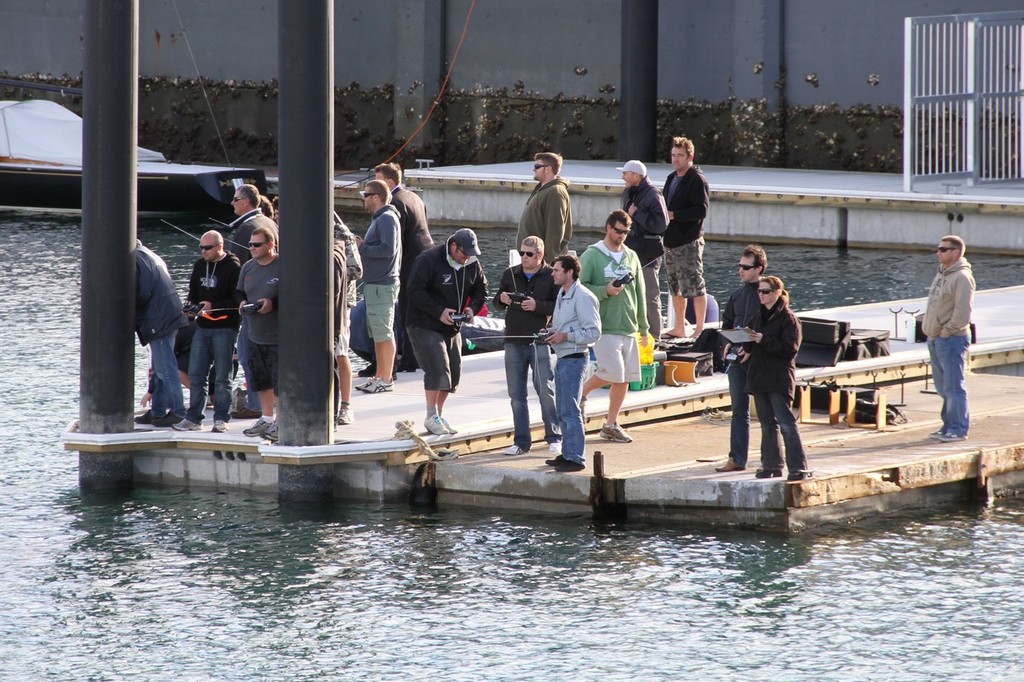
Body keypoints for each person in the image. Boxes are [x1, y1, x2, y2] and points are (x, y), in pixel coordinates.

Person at [405, 228, 488, 436]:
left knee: (454, 373)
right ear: (453, 247)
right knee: (438, 368)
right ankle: (430, 414)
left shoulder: (471, 264)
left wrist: (472, 309)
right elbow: (414, 291)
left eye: (470, 254)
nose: (467, 257)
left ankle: (439, 415)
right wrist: (439, 311)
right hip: (424, 323)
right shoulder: (429, 259)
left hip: (452, 326)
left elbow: (481, 289)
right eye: (463, 253)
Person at [579, 209, 650, 444]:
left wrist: (644, 328)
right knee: (612, 372)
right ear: (608, 227)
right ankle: (579, 393)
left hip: (628, 325)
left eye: (626, 232)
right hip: (604, 325)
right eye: (618, 231)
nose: (622, 236)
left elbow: (640, 292)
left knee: (625, 378)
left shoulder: (631, 256)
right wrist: (605, 291)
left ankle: (611, 423)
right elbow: (580, 289)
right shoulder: (592, 255)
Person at [493, 235, 560, 456]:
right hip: (512, 340)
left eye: (528, 254)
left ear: (540, 255)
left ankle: (554, 436)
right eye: (521, 253)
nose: (523, 257)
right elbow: (495, 303)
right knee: (516, 394)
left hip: (538, 341)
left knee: (545, 390)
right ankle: (521, 441)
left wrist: (537, 306)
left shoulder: (552, 276)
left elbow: (558, 306)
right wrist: (501, 300)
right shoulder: (509, 274)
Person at [739, 275, 811, 481]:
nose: (761, 295)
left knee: (787, 423)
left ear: (777, 292)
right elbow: (751, 345)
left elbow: (790, 349)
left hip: (778, 378)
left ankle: (798, 467)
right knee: (766, 424)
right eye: (759, 291)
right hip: (759, 376)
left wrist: (763, 339)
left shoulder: (789, 319)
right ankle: (771, 465)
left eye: (765, 291)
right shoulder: (757, 315)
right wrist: (743, 339)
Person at [173, 231, 242, 433]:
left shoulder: (232, 267)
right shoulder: (199, 265)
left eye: (207, 248)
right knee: (196, 374)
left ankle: (221, 418)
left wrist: (214, 305)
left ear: (219, 246)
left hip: (225, 328)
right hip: (202, 327)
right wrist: (190, 309)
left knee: (222, 376)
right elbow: (193, 293)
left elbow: (237, 299)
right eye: (201, 247)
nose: (203, 251)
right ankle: (194, 418)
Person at [543, 254, 601, 472]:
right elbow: (564, 325)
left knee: (570, 410)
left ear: (569, 273)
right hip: (563, 357)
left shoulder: (584, 296)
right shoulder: (562, 293)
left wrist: (565, 336)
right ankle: (567, 453)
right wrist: (550, 333)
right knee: (562, 409)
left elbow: (594, 332)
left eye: (557, 270)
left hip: (575, 359)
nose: (553, 273)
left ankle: (576, 458)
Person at [374, 162, 435, 372]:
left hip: (410, 262)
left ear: (389, 182)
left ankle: (409, 360)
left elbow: (393, 241)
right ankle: (415, 356)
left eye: (377, 182)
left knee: (406, 312)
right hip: (427, 257)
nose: (372, 187)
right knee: (416, 309)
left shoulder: (395, 204)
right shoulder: (414, 197)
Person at [226, 184, 279, 419]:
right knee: (260, 363)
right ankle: (265, 413)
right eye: (251, 246)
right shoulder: (269, 223)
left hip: (263, 320)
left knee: (248, 358)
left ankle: (257, 406)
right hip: (257, 313)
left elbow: (233, 267)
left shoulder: (246, 229)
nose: (232, 203)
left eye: (235, 199)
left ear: (246, 201)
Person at [715, 244, 768, 472]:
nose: (741, 271)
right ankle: (737, 459)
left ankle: (770, 459)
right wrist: (727, 345)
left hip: (759, 361)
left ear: (760, 268)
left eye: (746, 267)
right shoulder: (737, 295)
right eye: (740, 266)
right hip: (737, 361)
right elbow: (726, 324)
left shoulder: (768, 295)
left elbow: (774, 329)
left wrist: (752, 348)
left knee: (767, 412)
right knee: (739, 410)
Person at [922, 235, 975, 442]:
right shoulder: (942, 273)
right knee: (943, 387)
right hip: (935, 338)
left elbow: (963, 312)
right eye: (938, 248)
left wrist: (947, 331)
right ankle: (948, 425)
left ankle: (958, 428)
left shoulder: (962, 277)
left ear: (956, 252)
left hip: (951, 339)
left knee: (954, 387)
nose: (938, 252)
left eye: (943, 249)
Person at [133, 240, 189, 427]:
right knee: (160, 368)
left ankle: (178, 412)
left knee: (166, 369)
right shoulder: (149, 254)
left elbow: (141, 292)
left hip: (159, 319)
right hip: (169, 314)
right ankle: (158, 411)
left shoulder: (136, 259)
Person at [355, 179, 402, 394]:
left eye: (365, 195)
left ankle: (386, 378)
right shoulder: (381, 219)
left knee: (384, 332)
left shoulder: (386, 218)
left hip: (382, 285)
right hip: (376, 285)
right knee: (378, 333)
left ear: (376, 197)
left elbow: (388, 249)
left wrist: (362, 247)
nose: (363, 199)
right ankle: (379, 376)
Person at [661, 136, 710, 340]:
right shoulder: (672, 178)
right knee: (675, 286)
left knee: (695, 285)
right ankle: (680, 326)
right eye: (673, 155)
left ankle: (699, 328)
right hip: (670, 241)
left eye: (680, 155)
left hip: (688, 241)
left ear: (690, 157)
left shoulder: (697, 179)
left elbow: (701, 210)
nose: (676, 159)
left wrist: (675, 215)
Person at [236, 225, 281, 442]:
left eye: (257, 244)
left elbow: (293, 294)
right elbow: (238, 292)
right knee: (261, 381)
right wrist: (242, 303)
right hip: (253, 333)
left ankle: (282, 422)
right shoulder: (247, 267)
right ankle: (266, 418)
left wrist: (273, 303)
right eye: (250, 244)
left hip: (278, 337)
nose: (252, 248)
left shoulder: (283, 266)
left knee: (280, 382)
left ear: (270, 245)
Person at [618, 159, 668, 339]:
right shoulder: (629, 193)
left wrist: (637, 213)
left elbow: (661, 225)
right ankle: (636, 332)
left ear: (636, 176)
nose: (623, 177)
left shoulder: (654, 195)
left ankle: (655, 335)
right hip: (631, 251)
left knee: (650, 296)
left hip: (648, 254)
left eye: (625, 173)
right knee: (629, 294)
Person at [516, 151, 573, 263]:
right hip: (532, 261)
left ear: (548, 169)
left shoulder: (555, 192)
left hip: (542, 264)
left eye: (537, 166)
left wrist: (548, 264)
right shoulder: (543, 190)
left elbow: (555, 232)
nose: (534, 170)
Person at [333, 215, 362, 426]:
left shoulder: (340, 232)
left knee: (341, 353)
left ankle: (346, 406)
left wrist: (330, 273)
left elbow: (357, 270)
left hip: (342, 303)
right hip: (314, 303)